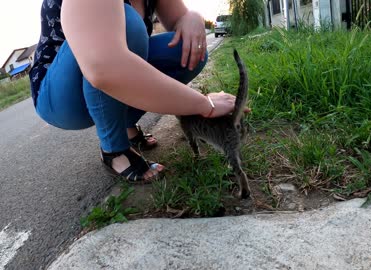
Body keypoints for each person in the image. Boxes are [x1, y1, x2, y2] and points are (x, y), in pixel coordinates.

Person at [29, 0, 238, 183]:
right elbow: (104, 67)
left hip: (109, 68)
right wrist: (204, 104)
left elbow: (181, 18)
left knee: (190, 48)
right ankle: (114, 150)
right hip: (61, 95)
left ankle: (126, 125)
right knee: (126, 21)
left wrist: (194, 17)